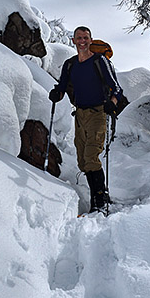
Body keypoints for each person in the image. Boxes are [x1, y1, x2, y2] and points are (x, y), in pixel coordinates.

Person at [49, 26, 123, 212]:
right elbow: (62, 87)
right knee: (82, 161)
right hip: (80, 115)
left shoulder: (99, 61)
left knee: (91, 157)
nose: (82, 41)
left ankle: (99, 203)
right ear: (73, 41)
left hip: (98, 113)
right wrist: (56, 94)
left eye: (86, 38)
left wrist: (112, 103)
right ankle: (101, 194)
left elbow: (117, 89)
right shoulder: (70, 64)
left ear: (90, 40)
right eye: (79, 38)